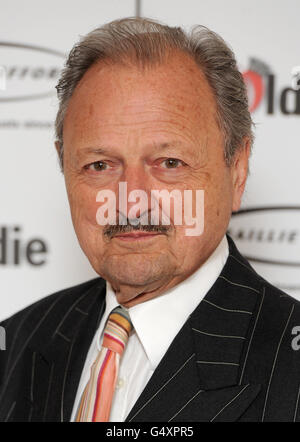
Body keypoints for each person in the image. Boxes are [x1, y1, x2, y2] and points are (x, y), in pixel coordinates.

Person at [1, 17, 300, 422]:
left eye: (170, 162)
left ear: (237, 170)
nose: (132, 200)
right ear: (64, 167)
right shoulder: (17, 343)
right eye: (100, 164)